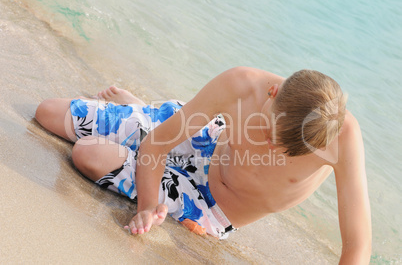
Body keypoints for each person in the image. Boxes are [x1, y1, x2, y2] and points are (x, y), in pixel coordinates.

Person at [35, 67, 371, 264]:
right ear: (272, 92)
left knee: (87, 153)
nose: (270, 147)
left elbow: (357, 247)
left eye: (286, 150)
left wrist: (151, 206)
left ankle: (144, 112)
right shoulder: (242, 86)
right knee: (48, 112)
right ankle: (147, 112)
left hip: (209, 209)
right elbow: (159, 145)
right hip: (199, 139)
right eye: (269, 132)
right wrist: (149, 206)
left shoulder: (341, 140)